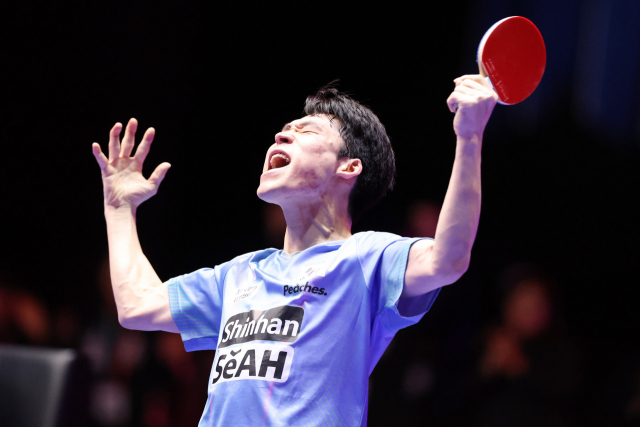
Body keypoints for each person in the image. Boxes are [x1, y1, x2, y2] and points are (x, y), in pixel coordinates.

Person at [91, 76, 498, 426]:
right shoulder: (239, 274)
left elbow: (448, 258)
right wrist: (119, 209)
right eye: (285, 128)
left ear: (348, 167)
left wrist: (470, 135)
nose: (282, 133)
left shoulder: (367, 259)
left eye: (306, 131)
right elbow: (136, 306)